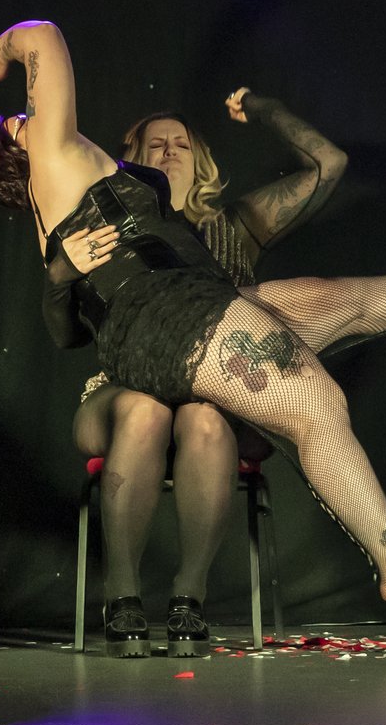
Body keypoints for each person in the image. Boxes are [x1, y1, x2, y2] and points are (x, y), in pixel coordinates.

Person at [0, 18, 386, 625]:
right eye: (22, 119)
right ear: (18, 150)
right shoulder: (56, 159)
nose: (34, 113)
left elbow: (324, 167)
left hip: (193, 302)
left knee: (341, 300)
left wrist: (261, 109)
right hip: (169, 319)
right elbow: (43, 35)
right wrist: (0, 51)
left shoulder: (88, 185)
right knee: (318, 402)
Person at [74, 90, 343, 656]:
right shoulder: (106, 224)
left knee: (203, 416)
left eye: (182, 144)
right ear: (132, 157)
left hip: (218, 404)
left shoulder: (234, 226)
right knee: (145, 410)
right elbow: (69, 327)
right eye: (156, 145)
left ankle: (188, 596)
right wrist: (65, 273)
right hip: (129, 394)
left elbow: (329, 164)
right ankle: (122, 595)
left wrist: (261, 107)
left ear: (200, 161)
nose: (170, 151)